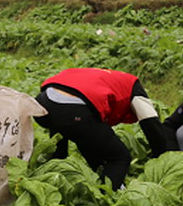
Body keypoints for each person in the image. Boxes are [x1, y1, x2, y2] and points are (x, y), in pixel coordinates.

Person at [33, 68, 167, 189]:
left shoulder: (106, 76)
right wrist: (166, 156)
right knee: (120, 158)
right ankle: (103, 200)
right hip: (73, 109)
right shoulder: (133, 87)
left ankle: (49, 186)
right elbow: (152, 125)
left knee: (66, 150)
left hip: (43, 103)